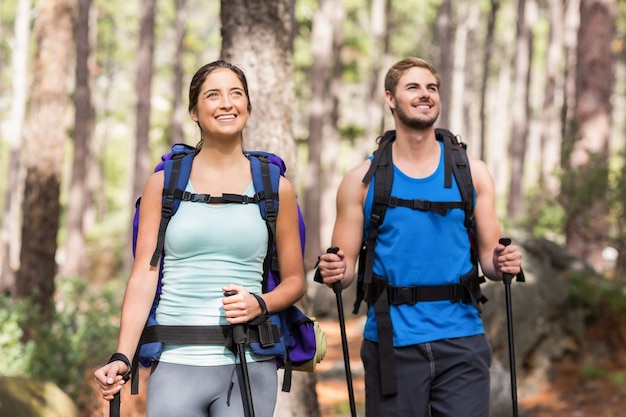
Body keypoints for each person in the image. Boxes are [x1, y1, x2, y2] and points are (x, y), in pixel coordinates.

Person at [94, 60, 306, 417]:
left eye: (236, 94)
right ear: (194, 111)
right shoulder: (163, 184)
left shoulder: (275, 188)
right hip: (176, 361)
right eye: (213, 95)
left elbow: (296, 280)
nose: (226, 103)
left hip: (249, 363)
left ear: (248, 108)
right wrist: (122, 356)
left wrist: (262, 303)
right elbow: (144, 276)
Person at [316, 57, 523, 417]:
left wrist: (504, 261)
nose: (425, 95)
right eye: (413, 87)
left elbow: (491, 258)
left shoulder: (471, 173)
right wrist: (335, 268)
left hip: (461, 339)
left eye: (432, 88)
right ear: (390, 98)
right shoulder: (361, 181)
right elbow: (345, 267)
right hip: (391, 345)